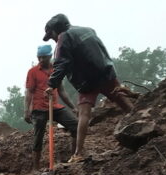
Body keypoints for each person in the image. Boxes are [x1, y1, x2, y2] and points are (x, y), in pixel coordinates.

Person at [43, 13, 134, 163]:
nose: (52, 38)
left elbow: (61, 64)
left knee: (84, 114)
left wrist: (51, 84)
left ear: (56, 29)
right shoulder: (88, 30)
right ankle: (142, 123)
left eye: (51, 34)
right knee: (123, 103)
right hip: (105, 72)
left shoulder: (64, 38)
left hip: (87, 81)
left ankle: (78, 153)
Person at [24, 44, 78, 170]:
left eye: (44, 57)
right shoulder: (33, 72)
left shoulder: (56, 70)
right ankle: (36, 169)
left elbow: (62, 91)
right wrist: (27, 110)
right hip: (39, 108)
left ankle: (74, 157)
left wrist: (72, 107)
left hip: (55, 106)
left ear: (50, 56)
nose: (41, 60)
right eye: (39, 57)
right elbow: (29, 92)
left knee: (75, 126)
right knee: (38, 137)